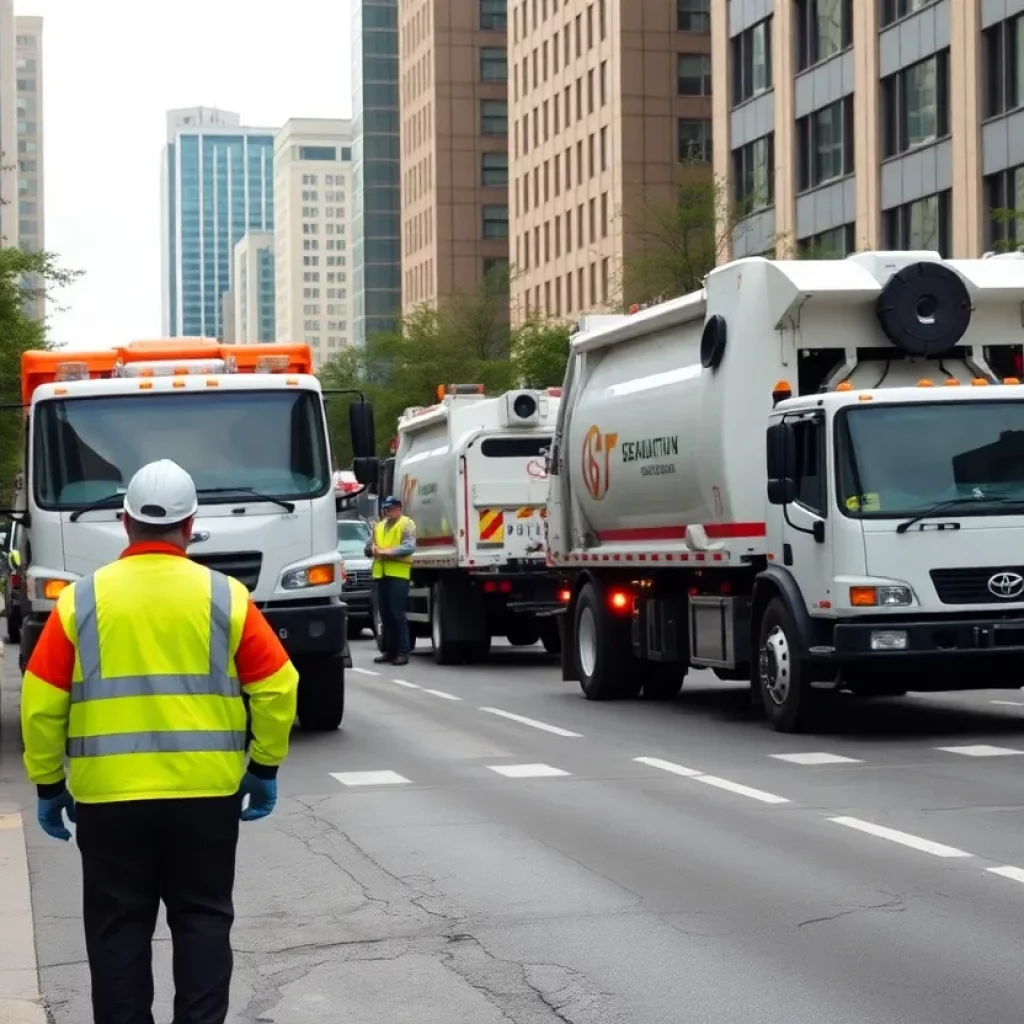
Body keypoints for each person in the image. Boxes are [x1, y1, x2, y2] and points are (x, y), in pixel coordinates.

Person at [21, 459, 299, 1024]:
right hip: (206, 798)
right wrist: (264, 768)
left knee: (118, 929)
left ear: (125, 522)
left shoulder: (80, 600)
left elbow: (42, 701)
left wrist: (49, 783)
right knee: (202, 920)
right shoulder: (227, 597)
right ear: (190, 524)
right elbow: (278, 686)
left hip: (109, 801)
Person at [366, 495, 416, 666]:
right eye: (386, 508)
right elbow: (368, 547)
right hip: (381, 575)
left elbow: (409, 546)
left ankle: (403, 652)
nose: (388, 511)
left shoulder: (406, 524)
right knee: (385, 615)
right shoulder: (379, 527)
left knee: (397, 614)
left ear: (399, 508)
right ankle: (389, 650)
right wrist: (371, 549)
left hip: (398, 574)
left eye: (391, 508)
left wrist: (387, 552)